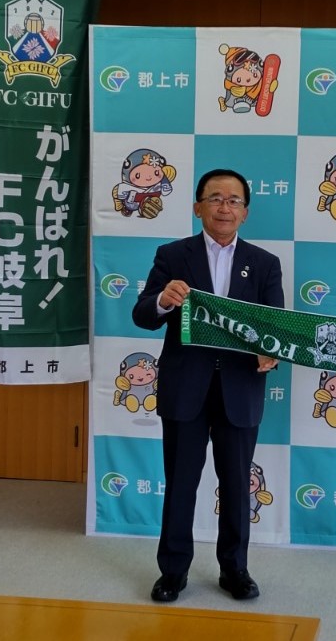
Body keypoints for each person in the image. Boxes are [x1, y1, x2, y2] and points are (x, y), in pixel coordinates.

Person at [132, 168, 284, 604]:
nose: (224, 207)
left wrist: (270, 352)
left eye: (234, 200)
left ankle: (235, 569)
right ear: (198, 207)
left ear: (245, 212)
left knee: (236, 485)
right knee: (180, 482)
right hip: (186, 387)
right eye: (215, 198)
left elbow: (275, 327)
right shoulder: (172, 255)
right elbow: (142, 314)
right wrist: (163, 301)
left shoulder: (265, 263)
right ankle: (173, 570)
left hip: (240, 389)